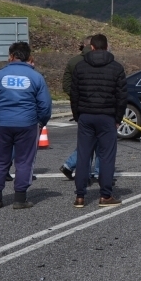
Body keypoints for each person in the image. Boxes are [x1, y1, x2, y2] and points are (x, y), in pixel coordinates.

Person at [0, 42, 52, 209]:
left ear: (11, 56)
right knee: (24, 161)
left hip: (1, 123)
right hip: (27, 124)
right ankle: (20, 199)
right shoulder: (36, 77)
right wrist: (41, 121)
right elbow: (45, 105)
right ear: (28, 57)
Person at [70, 34, 127, 208]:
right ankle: (105, 195)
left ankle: (80, 196)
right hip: (107, 117)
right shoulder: (117, 68)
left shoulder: (80, 67)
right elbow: (122, 97)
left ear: (92, 47)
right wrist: (118, 118)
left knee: (83, 155)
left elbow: (74, 95)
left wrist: (78, 115)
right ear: (107, 47)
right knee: (107, 156)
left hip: (86, 116)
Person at [60, 36, 100, 181]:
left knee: (87, 140)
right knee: (99, 140)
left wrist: (77, 98)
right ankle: (95, 172)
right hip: (98, 107)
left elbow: (66, 86)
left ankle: (75, 168)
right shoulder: (99, 61)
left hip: (80, 108)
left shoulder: (73, 62)